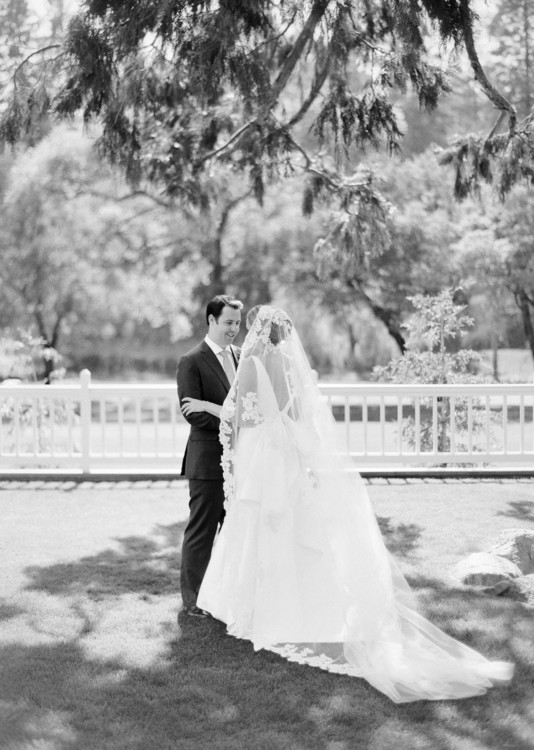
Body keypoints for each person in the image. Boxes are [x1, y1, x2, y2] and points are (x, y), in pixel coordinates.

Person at [187, 305, 514, 702]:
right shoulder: (290, 368)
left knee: (260, 525)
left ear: (258, 331)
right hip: (284, 455)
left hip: (263, 457)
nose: (244, 333)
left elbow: (242, 418)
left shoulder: (252, 366)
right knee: (288, 527)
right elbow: (296, 415)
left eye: (248, 326)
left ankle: (260, 607)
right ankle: (296, 600)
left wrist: (207, 407)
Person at [177, 294, 243, 618]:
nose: (233, 329)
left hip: (242, 463)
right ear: (212, 320)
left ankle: (227, 595)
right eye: (228, 322)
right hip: (207, 462)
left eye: (237, 323)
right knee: (202, 532)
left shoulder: (243, 357)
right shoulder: (191, 360)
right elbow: (192, 412)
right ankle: (192, 602)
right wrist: (232, 422)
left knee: (236, 531)